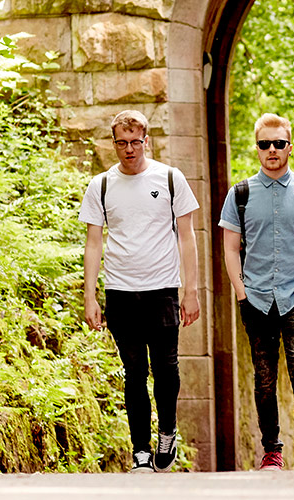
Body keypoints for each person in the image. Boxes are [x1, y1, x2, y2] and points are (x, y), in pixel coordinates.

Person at [78, 110, 201, 473]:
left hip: (162, 289)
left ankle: (167, 432)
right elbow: (93, 242)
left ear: (147, 141)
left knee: (166, 370)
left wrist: (190, 291)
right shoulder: (101, 185)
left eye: (135, 142)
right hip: (120, 291)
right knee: (134, 372)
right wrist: (90, 296)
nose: (129, 149)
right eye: (122, 142)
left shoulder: (170, 178)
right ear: (113, 143)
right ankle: (141, 451)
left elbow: (187, 237)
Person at [218, 113, 294, 471]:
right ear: (257, 148)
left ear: (289, 147)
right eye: (264, 144)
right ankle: (272, 451)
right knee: (264, 378)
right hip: (256, 298)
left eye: (278, 143)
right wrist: (241, 292)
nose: (272, 150)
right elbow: (230, 248)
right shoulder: (240, 194)